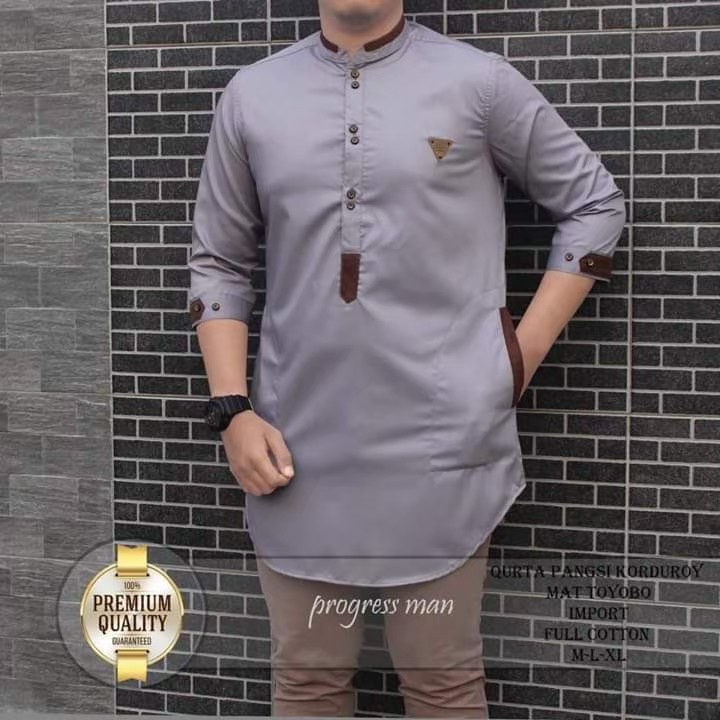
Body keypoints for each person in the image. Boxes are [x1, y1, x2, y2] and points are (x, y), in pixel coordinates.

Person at [187, 0, 627, 715]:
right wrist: (232, 410)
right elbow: (219, 263)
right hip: (296, 450)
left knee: (442, 682)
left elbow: (595, 205)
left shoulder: (478, 83)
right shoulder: (252, 95)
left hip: (441, 444)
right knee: (306, 681)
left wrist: (518, 355)